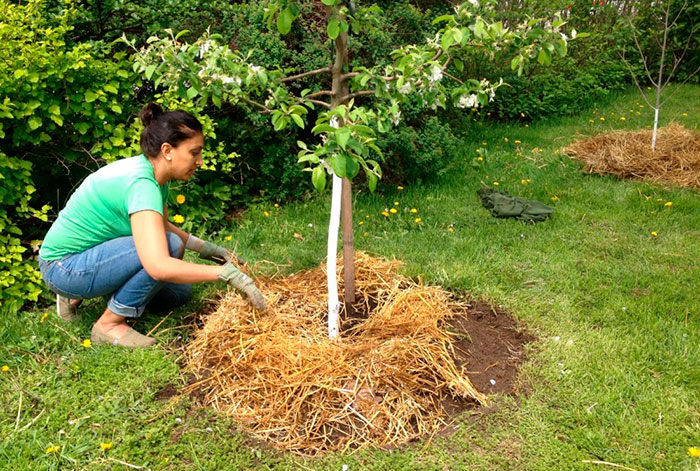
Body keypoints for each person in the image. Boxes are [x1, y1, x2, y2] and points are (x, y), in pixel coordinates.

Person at [38, 103, 266, 348]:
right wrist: (226, 275)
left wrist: (209, 249)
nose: (199, 161)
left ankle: (81, 298)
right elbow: (157, 265)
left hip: (89, 258)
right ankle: (108, 325)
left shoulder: (155, 175)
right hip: (64, 267)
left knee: (180, 293)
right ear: (167, 150)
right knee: (168, 248)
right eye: (194, 152)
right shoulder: (142, 184)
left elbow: (163, 226)